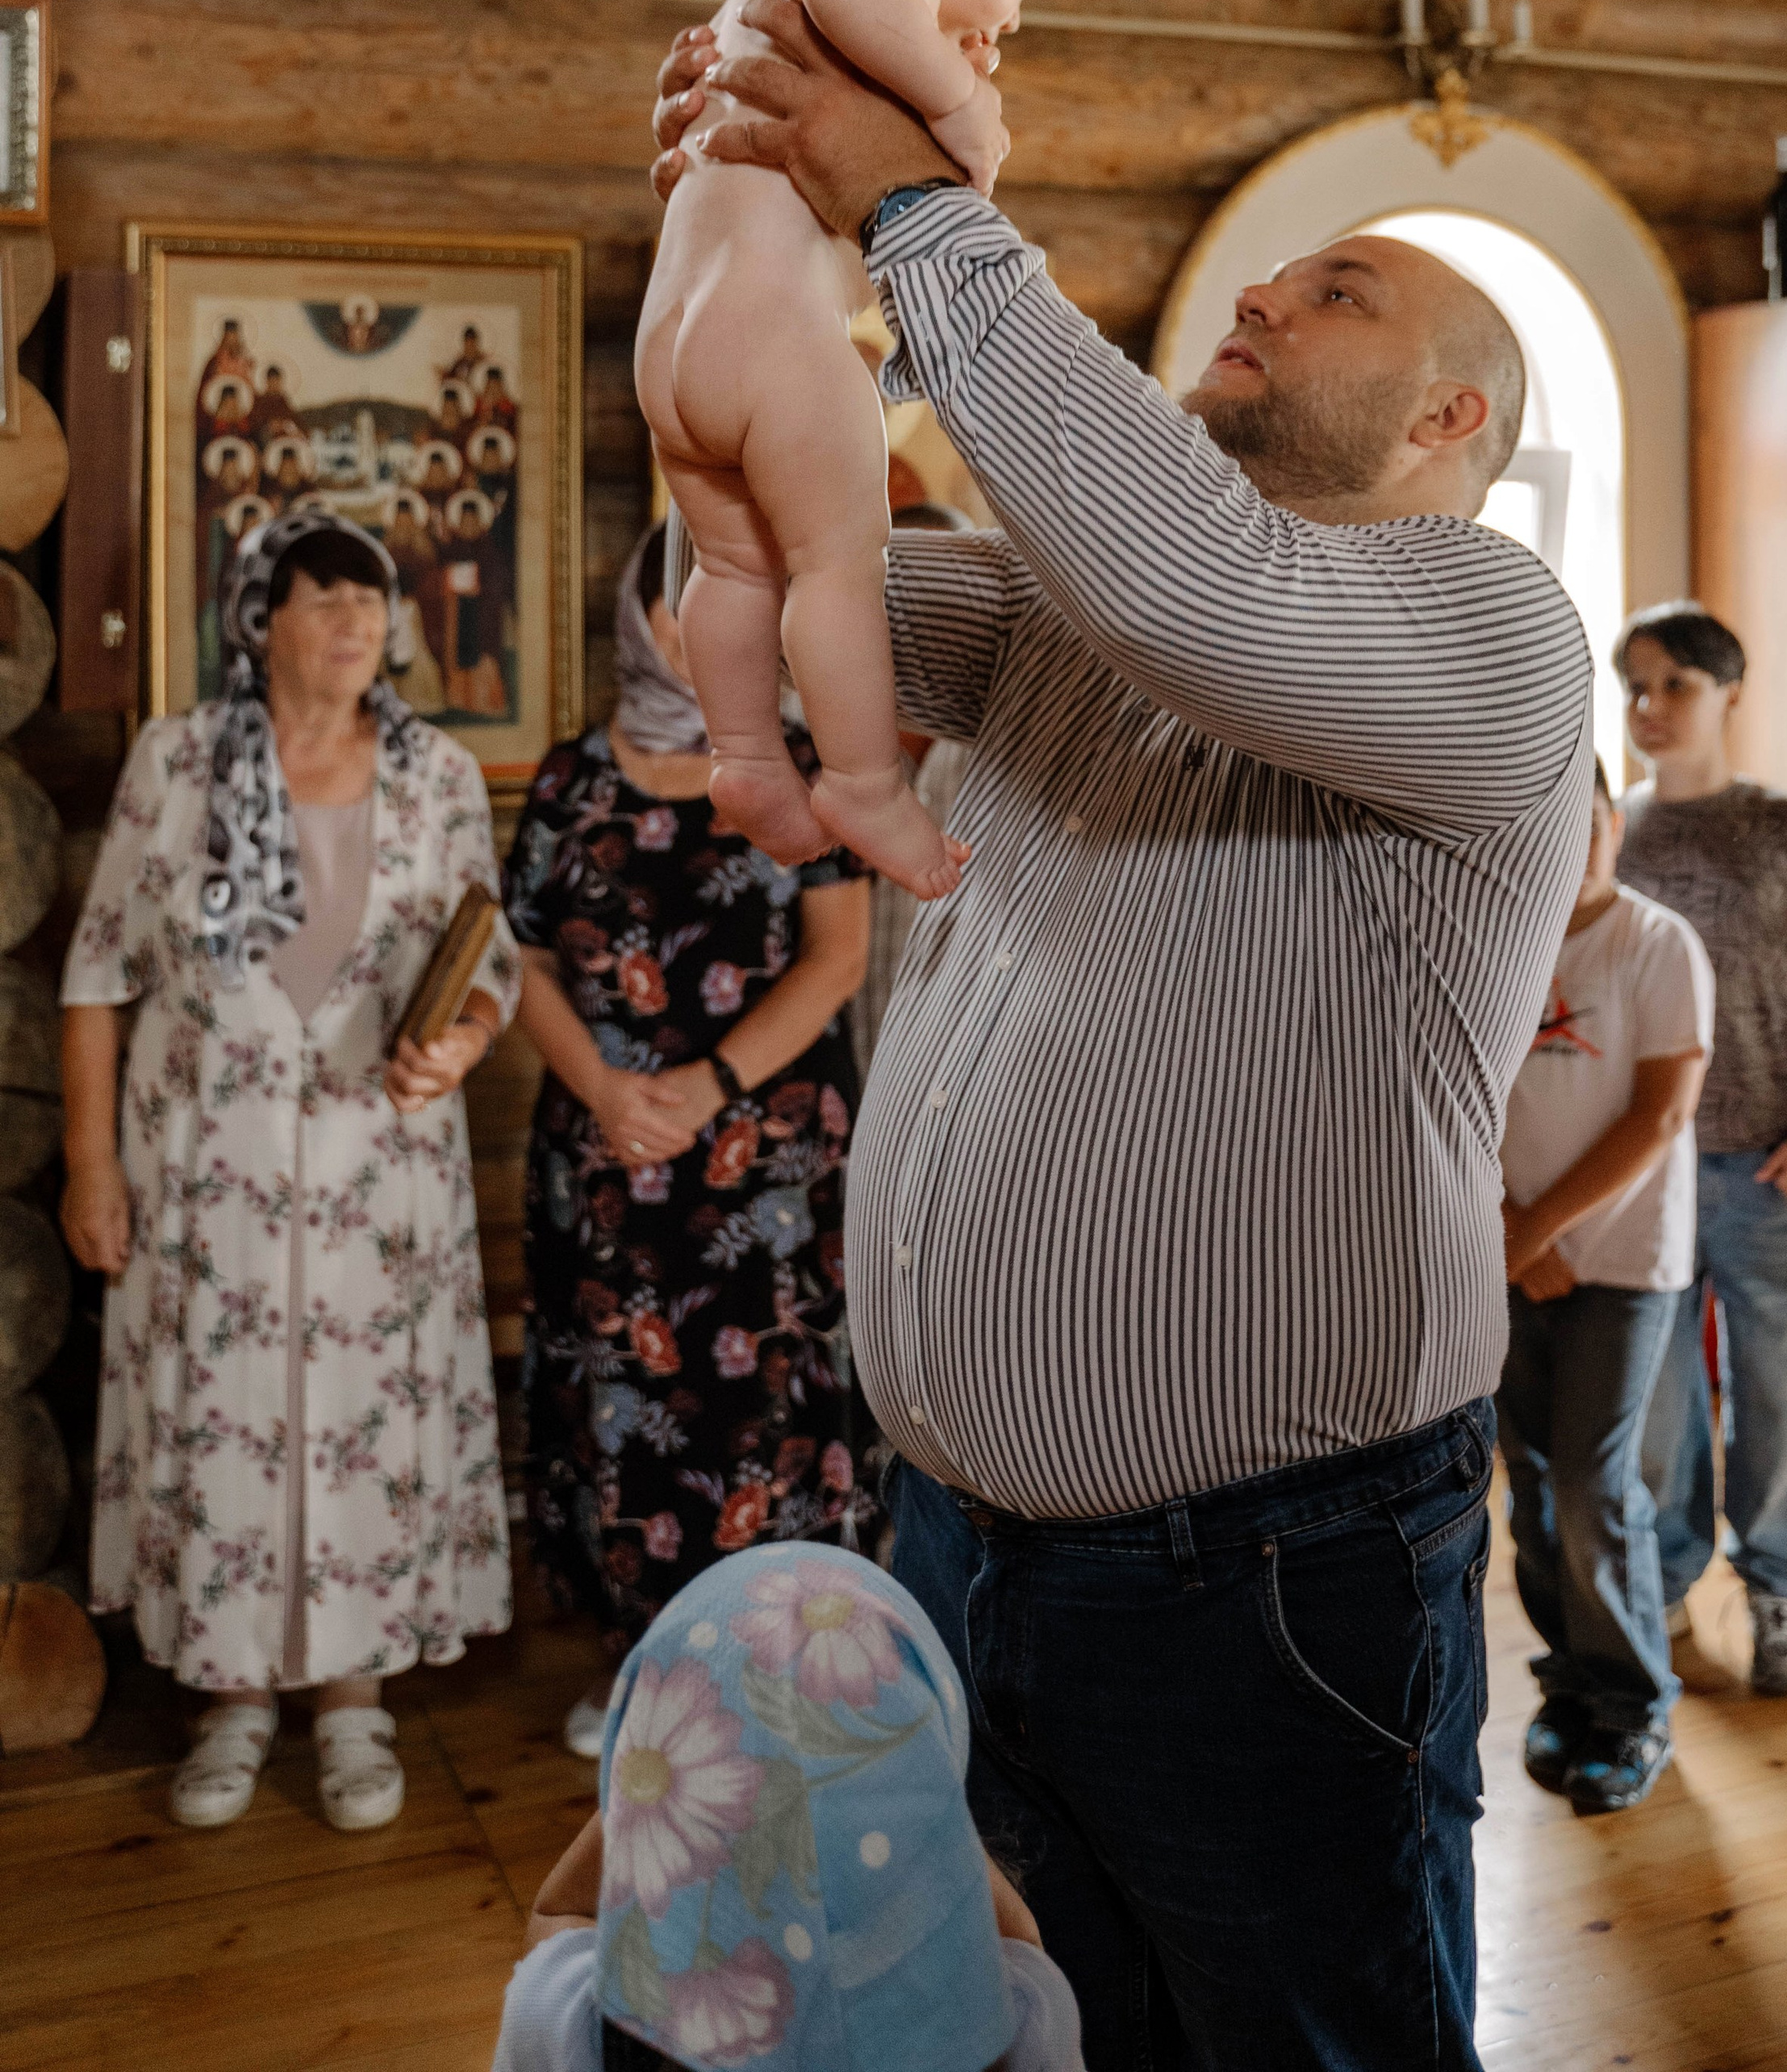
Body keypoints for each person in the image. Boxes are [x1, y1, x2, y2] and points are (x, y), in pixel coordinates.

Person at [645, 0, 1593, 2072]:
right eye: (1274, 275)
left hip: (1260, 1582)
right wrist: (738, 299)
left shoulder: (1497, 634)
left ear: (1447, 421)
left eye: (1334, 294)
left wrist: (913, 209)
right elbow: (752, 620)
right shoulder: (1070, 610)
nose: (1261, 292)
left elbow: (1192, 585)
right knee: (1045, 2034)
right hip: (959, 1542)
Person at [57, 512, 520, 1832]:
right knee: (229, 1419)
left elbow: (487, 963)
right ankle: (232, 1696)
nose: (358, 623)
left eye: (373, 602)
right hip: (212, 1179)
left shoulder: (436, 775)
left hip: (383, 1181)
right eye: (327, 600)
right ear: (260, 621)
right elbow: (98, 972)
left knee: (364, 1421)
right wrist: (91, 1167)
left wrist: (465, 1041)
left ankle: (356, 1699)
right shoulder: (177, 763)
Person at [634, 0, 1079, 898]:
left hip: (674, 343)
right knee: (839, 565)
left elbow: (847, 193)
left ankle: (744, 758)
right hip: (775, 337)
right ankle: (865, 784)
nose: (1013, 14)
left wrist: (931, 95)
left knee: (733, 567)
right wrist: (961, 101)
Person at [509, 528, 875, 1762]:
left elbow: (838, 958)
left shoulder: (806, 764)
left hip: (764, 1168)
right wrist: (609, 1093)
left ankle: (776, 1674)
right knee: (617, 1407)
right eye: (688, 602)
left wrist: (704, 1087)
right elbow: (521, 957)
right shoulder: (569, 781)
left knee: (763, 1405)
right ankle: (642, 1668)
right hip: (606, 1157)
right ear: (644, 617)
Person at [495, 1544, 1085, 2072]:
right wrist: (921, 1800)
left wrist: (659, 1789)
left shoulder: (575, 2024)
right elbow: (1020, 1941)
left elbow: (557, 1914)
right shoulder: (1018, 2018)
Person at [1614, 603, 1787, 1697]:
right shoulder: (1612, 829)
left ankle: (1780, 1596)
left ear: (1729, 692)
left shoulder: (1785, 824)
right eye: (1636, 687)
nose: (1650, 706)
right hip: (1645, 1175)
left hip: (1771, 1163)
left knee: (1777, 1396)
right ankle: (1668, 1580)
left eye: (1675, 684)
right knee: (1658, 1404)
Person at [1497, 760, 1713, 1815]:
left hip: (1623, 1264)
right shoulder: (1497, 941)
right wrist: (1507, 1228)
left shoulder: (1658, 942)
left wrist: (1536, 1227)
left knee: (1592, 1484)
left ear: (1613, 824)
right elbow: (1448, 1095)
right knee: (1533, 1491)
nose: (1572, 846)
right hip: (1510, 1256)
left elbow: (1661, 1114)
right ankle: (1570, 1684)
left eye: (1585, 823)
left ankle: (1632, 1705)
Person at [851, 501, 976, 1080]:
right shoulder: (804, 742)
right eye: (892, 593)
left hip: (972, 1079)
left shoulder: (1023, 753)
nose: (915, 622)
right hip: (838, 1081)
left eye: (944, 599)